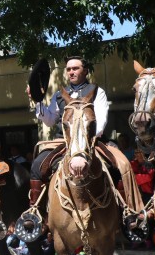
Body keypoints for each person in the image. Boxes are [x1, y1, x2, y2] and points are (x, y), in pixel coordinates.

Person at [26, 55, 109, 207]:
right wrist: (37, 101)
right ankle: (36, 213)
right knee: (37, 165)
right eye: (69, 69)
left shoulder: (97, 91)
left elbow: (101, 121)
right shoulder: (59, 95)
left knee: (120, 164)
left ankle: (126, 211)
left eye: (75, 68)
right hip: (63, 141)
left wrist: (83, 141)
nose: (71, 72)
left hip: (92, 142)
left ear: (85, 71)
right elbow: (50, 120)